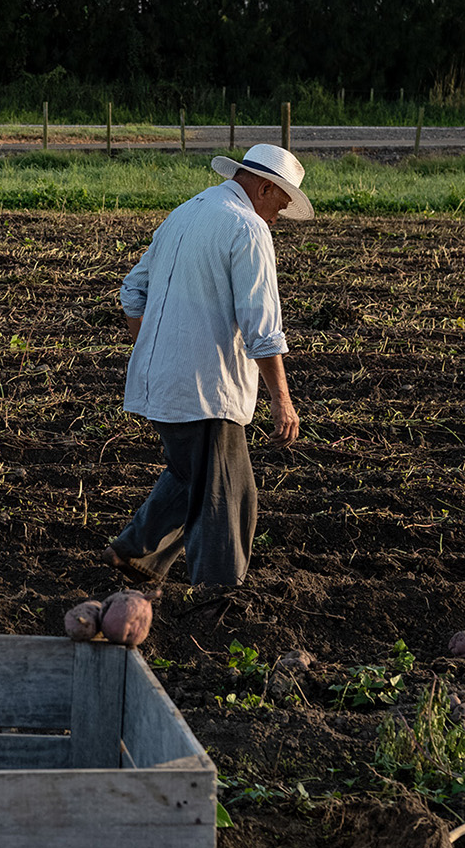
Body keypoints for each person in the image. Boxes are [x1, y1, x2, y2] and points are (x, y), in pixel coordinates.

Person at [107, 142, 313, 594]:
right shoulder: (247, 228)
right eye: (280, 205)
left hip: (161, 382)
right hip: (207, 389)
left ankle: (135, 553)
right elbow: (262, 327)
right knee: (228, 494)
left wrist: (158, 349)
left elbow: (132, 292)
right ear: (263, 188)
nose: (276, 218)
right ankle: (217, 596)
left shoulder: (185, 212)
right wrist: (282, 400)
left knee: (191, 474)